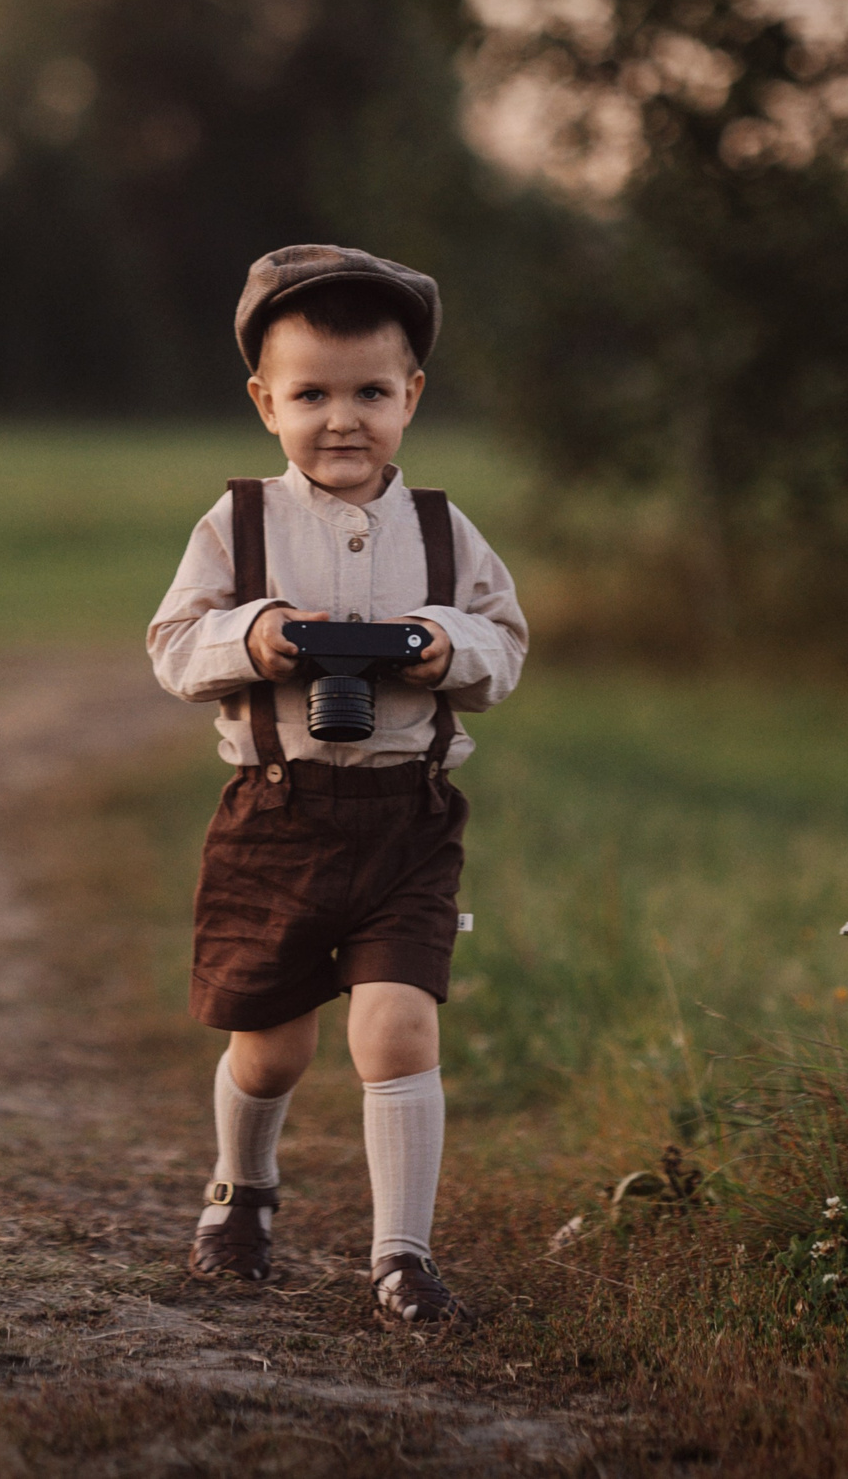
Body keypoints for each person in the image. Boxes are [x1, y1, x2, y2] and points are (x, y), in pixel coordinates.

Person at [146, 243, 528, 1325]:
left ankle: (400, 1258)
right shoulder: (239, 524)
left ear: (411, 396)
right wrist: (256, 635)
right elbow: (173, 645)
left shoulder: (449, 534)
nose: (342, 418)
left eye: (370, 391)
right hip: (276, 815)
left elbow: (505, 650)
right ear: (266, 402)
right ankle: (241, 1191)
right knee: (269, 1049)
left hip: (407, 819)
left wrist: (438, 644)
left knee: (397, 1029)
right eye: (311, 393)